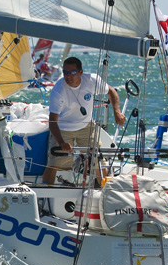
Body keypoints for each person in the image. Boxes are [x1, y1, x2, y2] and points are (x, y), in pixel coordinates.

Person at [42, 57, 125, 185]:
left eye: (72, 72)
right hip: (63, 128)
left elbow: (112, 92)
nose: (68, 76)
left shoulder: (91, 80)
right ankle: (45, 193)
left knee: (98, 160)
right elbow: (52, 121)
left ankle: (107, 190)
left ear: (80, 72)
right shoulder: (59, 90)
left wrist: (117, 112)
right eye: (65, 72)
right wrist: (61, 142)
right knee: (54, 162)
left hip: (86, 125)